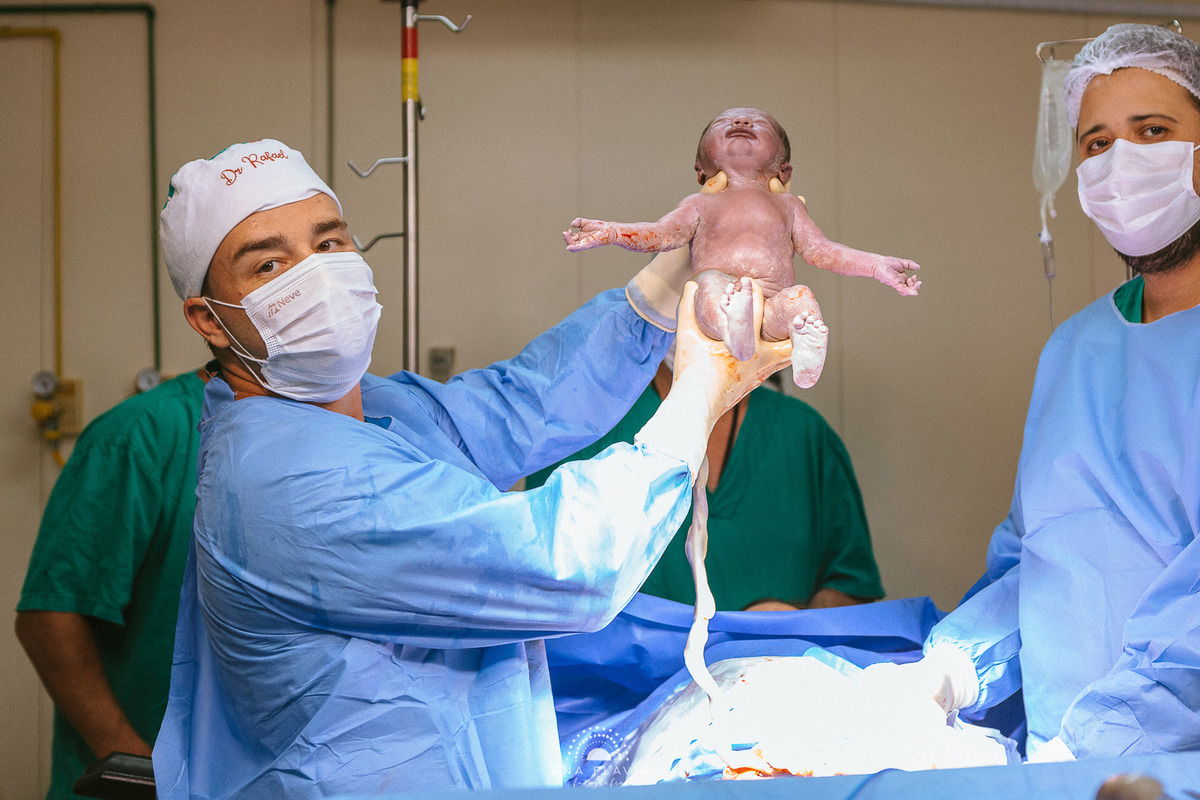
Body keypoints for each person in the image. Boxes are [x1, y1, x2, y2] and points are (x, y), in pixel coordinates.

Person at [150, 139, 791, 798]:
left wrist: (681, 270)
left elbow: (526, 404)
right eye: (269, 265)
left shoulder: (374, 409)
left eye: (329, 243)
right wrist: (701, 395)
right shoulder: (285, 486)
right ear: (209, 319)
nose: (314, 275)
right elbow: (565, 561)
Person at [861, 23, 1200, 762]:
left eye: (1153, 130)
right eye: (1097, 143)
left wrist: (1097, 742)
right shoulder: (1077, 349)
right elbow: (1039, 563)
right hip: (1061, 756)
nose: (1122, 164)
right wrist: (954, 669)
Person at [564, 106, 919, 387]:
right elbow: (661, 234)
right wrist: (611, 231)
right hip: (721, 292)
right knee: (710, 285)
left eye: (757, 124)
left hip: (772, 301)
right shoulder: (699, 204)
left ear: (784, 171)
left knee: (800, 299)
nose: (741, 120)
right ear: (702, 172)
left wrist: (876, 265)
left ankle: (806, 348)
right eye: (725, 123)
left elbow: (821, 251)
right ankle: (733, 326)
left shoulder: (790, 206)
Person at [524, 363, 884, 612]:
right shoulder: (581, 429)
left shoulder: (805, 436)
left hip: (770, 699)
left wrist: (790, 624)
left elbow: (853, 590)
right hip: (612, 708)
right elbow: (534, 592)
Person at [15, 367, 207, 800]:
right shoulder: (140, 434)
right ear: (208, 319)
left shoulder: (348, 432)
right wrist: (134, 766)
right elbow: (51, 617)